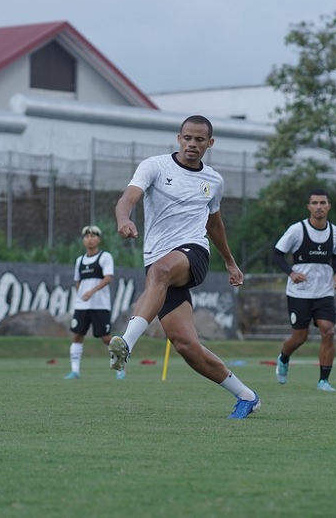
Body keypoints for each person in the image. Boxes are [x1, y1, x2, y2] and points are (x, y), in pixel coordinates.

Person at [109, 115, 260, 419]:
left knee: (161, 271)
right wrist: (123, 219)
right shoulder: (155, 166)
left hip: (193, 254)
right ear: (179, 138)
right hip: (158, 263)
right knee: (186, 345)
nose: (193, 144)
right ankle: (247, 395)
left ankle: (126, 343)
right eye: (188, 138)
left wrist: (230, 262)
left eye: (199, 140)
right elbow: (128, 198)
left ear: (210, 144)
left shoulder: (213, 180)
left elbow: (215, 224)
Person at [272, 188, 336, 391]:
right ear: (309, 207)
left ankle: (323, 380)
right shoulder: (297, 230)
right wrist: (291, 273)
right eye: (315, 203)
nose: (319, 207)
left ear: (329, 206)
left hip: (324, 291)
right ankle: (284, 358)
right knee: (300, 337)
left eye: (323, 203)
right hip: (300, 292)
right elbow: (277, 254)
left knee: (328, 331)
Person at [65, 225, 125, 380]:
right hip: (82, 305)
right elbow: (78, 281)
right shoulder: (80, 260)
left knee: (105, 337)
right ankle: (75, 371)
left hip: (100, 304)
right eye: (86, 236)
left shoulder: (105, 257)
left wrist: (92, 291)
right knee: (77, 335)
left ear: (98, 239)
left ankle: (120, 366)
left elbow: (108, 278)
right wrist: (81, 294)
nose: (89, 239)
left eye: (93, 236)